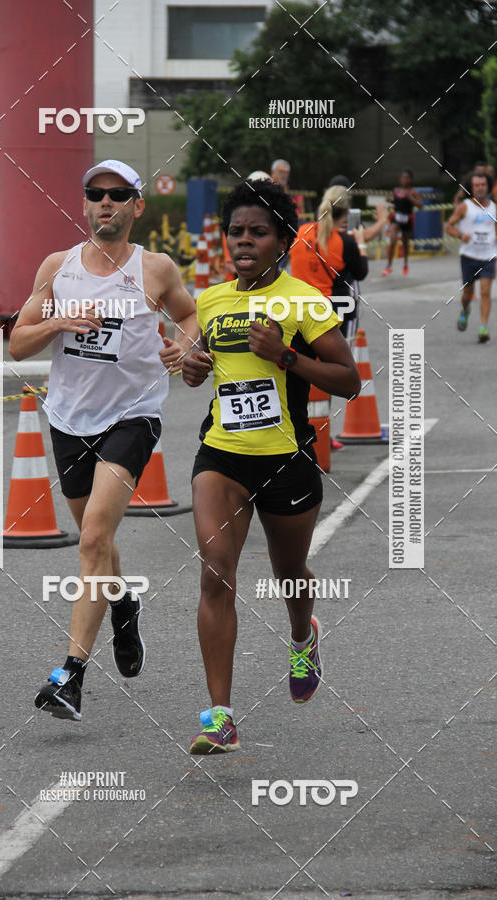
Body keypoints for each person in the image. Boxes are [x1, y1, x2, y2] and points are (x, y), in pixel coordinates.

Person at [9, 159, 199, 721]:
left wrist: (182, 349)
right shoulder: (57, 268)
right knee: (97, 541)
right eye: (96, 194)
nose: (105, 204)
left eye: (118, 195)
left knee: (92, 538)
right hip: (69, 418)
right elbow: (16, 344)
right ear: (85, 203)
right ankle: (125, 602)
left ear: (138, 206)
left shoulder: (155, 269)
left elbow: (189, 318)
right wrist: (58, 324)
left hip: (132, 416)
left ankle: (69, 674)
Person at [181, 180, 360, 753]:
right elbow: (204, 367)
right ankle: (220, 716)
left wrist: (284, 354)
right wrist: (192, 366)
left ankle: (302, 634)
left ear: (282, 240)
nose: (244, 241)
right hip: (222, 455)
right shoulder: (211, 301)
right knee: (215, 569)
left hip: (287, 459)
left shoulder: (303, 301)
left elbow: (349, 381)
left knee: (290, 573)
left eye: (258, 232)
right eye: (236, 231)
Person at [290, 185, 368, 450]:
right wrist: (361, 243)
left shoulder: (300, 233)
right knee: (330, 374)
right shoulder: (344, 242)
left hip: (295, 312)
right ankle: (322, 434)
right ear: (345, 212)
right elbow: (361, 271)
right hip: (329, 314)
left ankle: (296, 431)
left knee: (297, 373)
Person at [446, 171, 497, 343]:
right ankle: (465, 310)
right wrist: (461, 235)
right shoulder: (465, 207)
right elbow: (449, 227)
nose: (480, 188)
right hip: (469, 257)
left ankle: (483, 327)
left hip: (489, 256)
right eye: (477, 185)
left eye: (483, 185)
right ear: (472, 187)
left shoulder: (494, 207)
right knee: (467, 294)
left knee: (485, 291)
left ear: (488, 186)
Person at [383, 169, 423, 276]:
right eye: (402, 178)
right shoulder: (396, 190)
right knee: (393, 239)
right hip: (396, 217)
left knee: (405, 243)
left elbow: (420, 205)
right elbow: (396, 202)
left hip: (407, 219)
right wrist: (390, 200)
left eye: (406, 178)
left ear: (410, 180)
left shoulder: (413, 191)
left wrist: (409, 198)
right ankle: (389, 265)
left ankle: (405, 263)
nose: (403, 180)